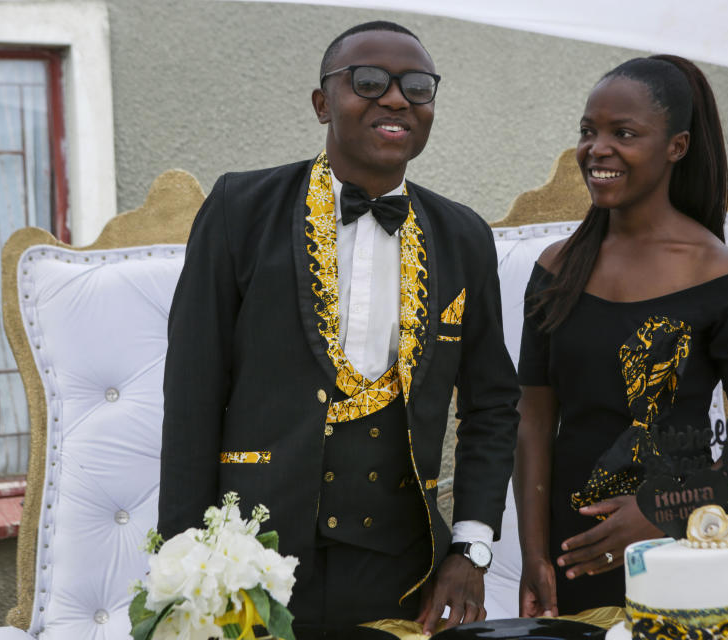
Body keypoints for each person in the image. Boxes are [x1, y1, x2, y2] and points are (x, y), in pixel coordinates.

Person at [157, 21, 519, 632]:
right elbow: (192, 394)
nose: (397, 98)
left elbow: (493, 404)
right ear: (323, 102)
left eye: (419, 87)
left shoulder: (464, 236)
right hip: (251, 558)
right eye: (369, 80)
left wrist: (471, 548)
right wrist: (187, 562)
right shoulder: (239, 209)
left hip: (402, 569)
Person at [514, 55, 728, 616]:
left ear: (676, 147)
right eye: (589, 131)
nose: (597, 148)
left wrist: (664, 508)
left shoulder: (717, 277)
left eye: (624, 133)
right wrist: (533, 554)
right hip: (575, 554)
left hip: (687, 547)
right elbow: (534, 422)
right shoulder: (555, 269)